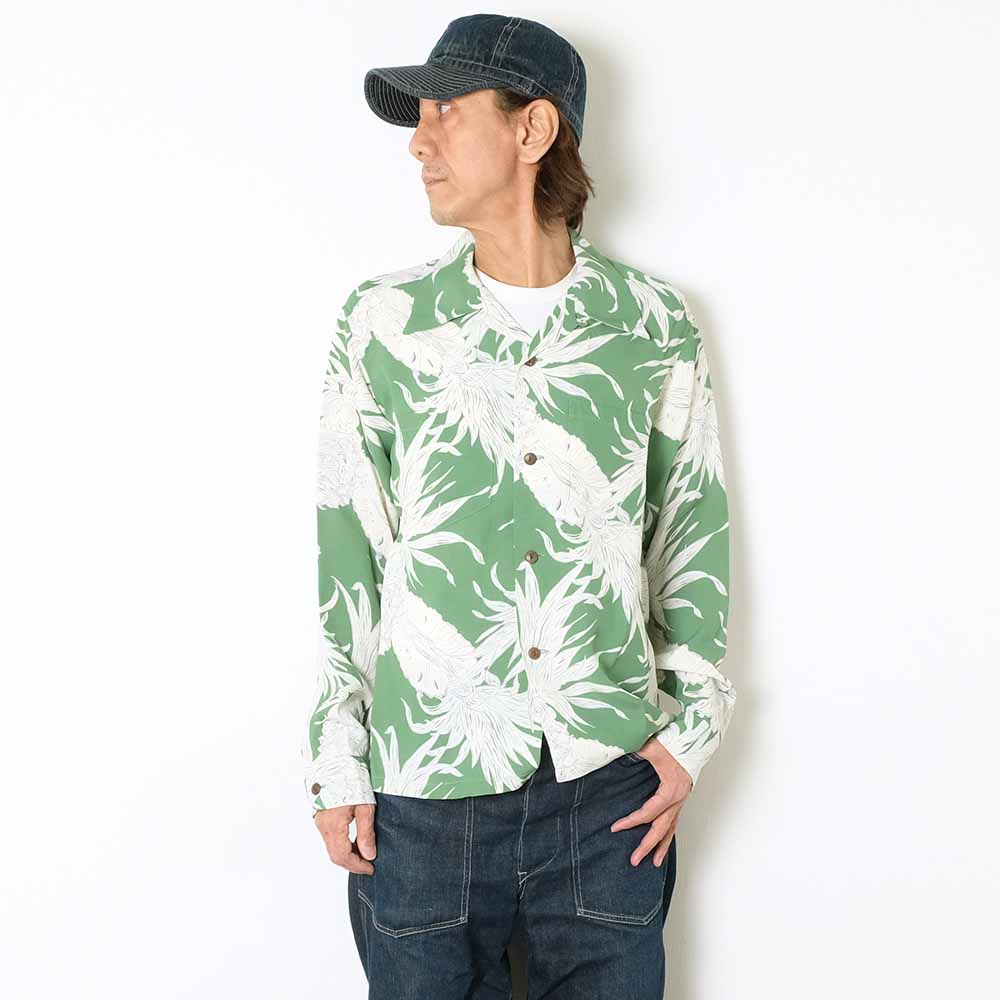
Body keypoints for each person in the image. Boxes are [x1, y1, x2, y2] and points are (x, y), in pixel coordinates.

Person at [302, 14, 736, 999]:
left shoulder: (652, 325)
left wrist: (688, 739)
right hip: (422, 794)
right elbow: (349, 549)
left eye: (446, 113)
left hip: (607, 794)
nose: (419, 143)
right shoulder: (382, 323)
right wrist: (336, 759)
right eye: (418, 120)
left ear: (533, 129)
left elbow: (690, 532)